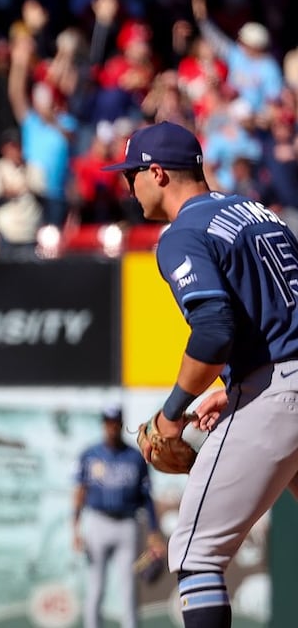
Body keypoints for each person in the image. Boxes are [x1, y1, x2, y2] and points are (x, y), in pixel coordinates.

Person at [104, 120, 298, 628]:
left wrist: (171, 416)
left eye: (132, 175)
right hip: (279, 377)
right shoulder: (260, 213)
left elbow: (214, 332)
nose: (129, 186)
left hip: (280, 390)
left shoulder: (182, 232)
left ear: (158, 173)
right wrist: (233, 389)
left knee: (195, 553)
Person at [73, 405, 165, 628]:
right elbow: (80, 492)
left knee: (129, 589)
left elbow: (147, 496)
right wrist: (75, 528)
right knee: (95, 588)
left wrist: (154, 531)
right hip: (98, 522)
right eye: (108, 422)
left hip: (127, 524)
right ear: (103, 424)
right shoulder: (90, 454)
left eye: (115, 422)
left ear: (121, 424)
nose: (112, 427)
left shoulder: (135, 457)